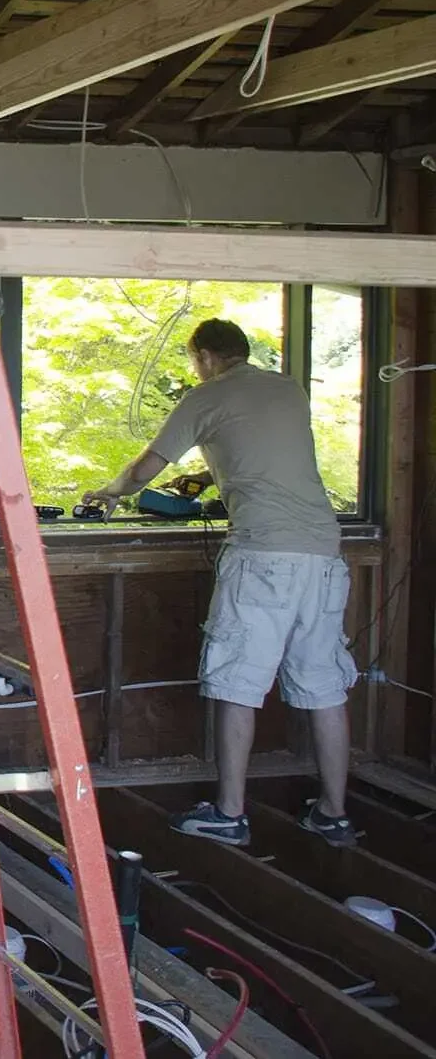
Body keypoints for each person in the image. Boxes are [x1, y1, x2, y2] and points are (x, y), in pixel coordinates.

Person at [84, 318, 355, 849]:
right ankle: (334, 813)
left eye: (195, 361)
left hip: (262, 555)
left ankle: (230, 813)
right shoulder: (288, 389)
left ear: (205, 357)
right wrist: (213, 476)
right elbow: (268, 455)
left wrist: (112, 491)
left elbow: (145, 469)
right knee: (324, 686)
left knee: (237, 684)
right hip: (323, 554)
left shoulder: (206, 396)